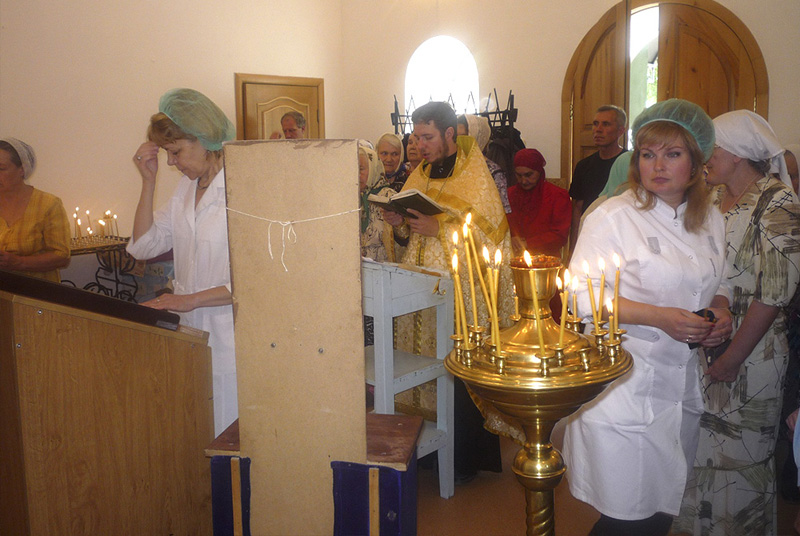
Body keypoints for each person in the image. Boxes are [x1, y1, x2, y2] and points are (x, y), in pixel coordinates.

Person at [564, 99, 733, 536]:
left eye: (672, 154)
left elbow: (721, 280)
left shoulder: (711, 218)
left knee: (659, 513)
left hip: (680, 388)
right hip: (624, 384)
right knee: (625, 520)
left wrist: (721, 311)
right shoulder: (612, 217)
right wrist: (660, 318)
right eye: (647, 153)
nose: (657, 165)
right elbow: (579, 296)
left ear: (696, 162)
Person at [674, 110, 800, 536]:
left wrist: (732, 359)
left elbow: (774, 295)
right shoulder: (710, 199)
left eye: (712, 149)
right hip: (705, 346)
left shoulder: (778, 203)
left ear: (738, 154)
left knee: (739, 463)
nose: (704, 157)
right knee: (699, 457)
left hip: (752, 354)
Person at [383, 101, 512, 482]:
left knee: (454, 368)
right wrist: (398, 223)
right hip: (417, 291)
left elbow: (492, 242)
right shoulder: (418, 174)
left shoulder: (475, 177)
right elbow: (407, 238)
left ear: (450, 134)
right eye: (416, 137)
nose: (419, 146)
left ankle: (462, 459)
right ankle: (422, 454)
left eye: (428, 137)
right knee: (417, 367)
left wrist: (440, 229)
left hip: (459, 294)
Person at [127, 88, 238, 437]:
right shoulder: (186, 189)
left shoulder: (241, 189)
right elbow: (143, 246)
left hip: (230, 332)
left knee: (228, 424)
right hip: (191, 329)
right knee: (198, 422)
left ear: (204, 139)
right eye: (167, 153)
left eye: (175, 152)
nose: (172, 163)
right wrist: (148, 182)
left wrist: (189, 300)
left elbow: (255, 280)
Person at [0, 137, 70, 282]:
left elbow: (62, 256)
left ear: (22, 169)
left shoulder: (48, 204)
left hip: (36, 291)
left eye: (1, 168)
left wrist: (19, 262)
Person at [568, 105, 628, 256]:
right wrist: (574, 249)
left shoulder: (629, 164)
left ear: (621, 130)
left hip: (620, 237)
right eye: (595, 124)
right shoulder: (583, 166)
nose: (598, 129)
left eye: (606, 124)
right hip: (589, 235)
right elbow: (577, 209)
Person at [506, 148, 571, 257]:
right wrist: (511, 238)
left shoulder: (557, 196)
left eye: (528, 175)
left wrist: (528, 243)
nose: (523, 181)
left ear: (539, 172)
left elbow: (560, 235)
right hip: (513, 257)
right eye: (519, 175)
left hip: (546, 259)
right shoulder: (509, 195)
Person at [457, 114, 511, 213]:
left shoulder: (493, 172)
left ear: (477, 138)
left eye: (463, 137)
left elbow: (501, 211)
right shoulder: (454, 167)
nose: (458, 142)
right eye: (455, 137)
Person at [359, 146, 394, 262]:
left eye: (361, 169)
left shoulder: (388, 196)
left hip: (383, 267)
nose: (356, 174)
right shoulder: (352, 198)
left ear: (373, 168)